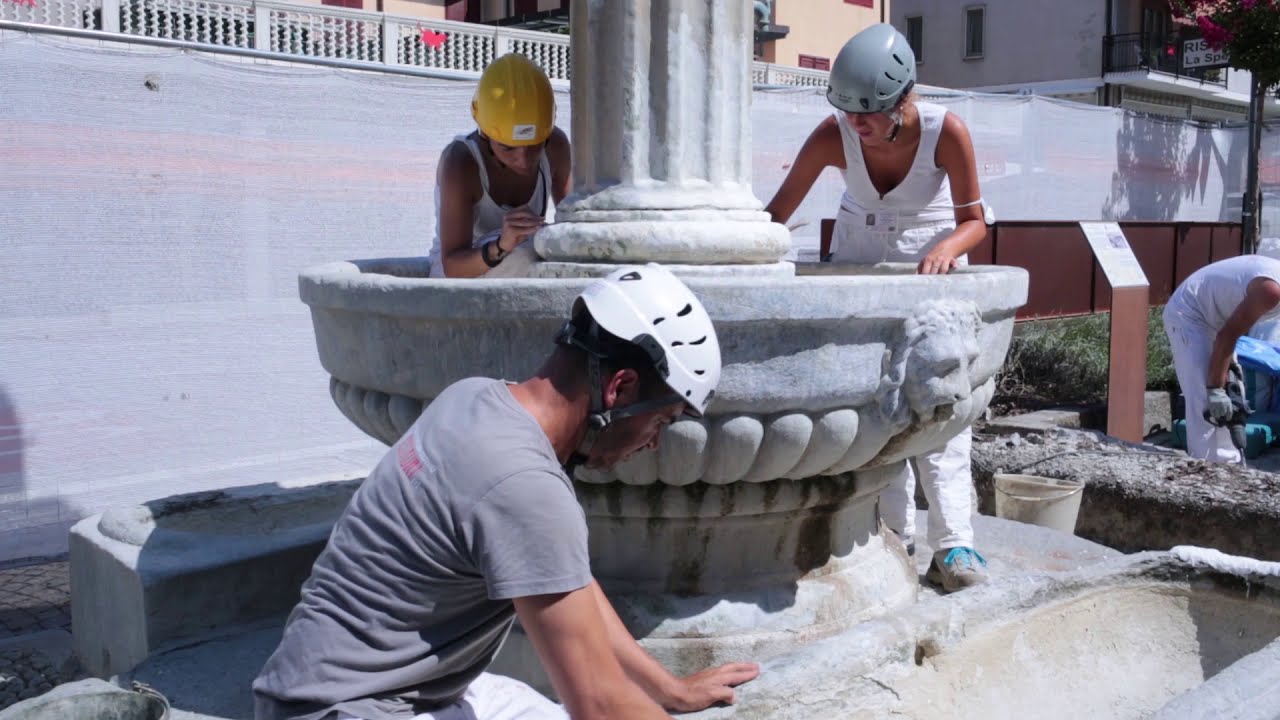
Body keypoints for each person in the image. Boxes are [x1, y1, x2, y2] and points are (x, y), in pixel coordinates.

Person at [253, 264, 759, 720]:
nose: (653, 444)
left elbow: (570, 584)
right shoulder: (524, 485)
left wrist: (670, 691)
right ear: (620, 388)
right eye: (662, 421)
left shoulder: (474, 396)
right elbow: (599, 705)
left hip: (335, 687)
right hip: (347, 710)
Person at [762, 23, 991, 593]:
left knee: (943, 406)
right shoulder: (833, 134)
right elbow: (776, 214)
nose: (855, 124)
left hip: (932, 262)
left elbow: (974, 221)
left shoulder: (946, 132)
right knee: (871, 401)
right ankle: (891, 535)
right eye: (846, 112)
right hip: (859, 254)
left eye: (867, 114)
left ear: (902, 98)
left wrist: (949, 247)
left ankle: (954, 544)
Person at [427, 53, 572, 278]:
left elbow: (575, 225)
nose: (523, 160)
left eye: (535, 145)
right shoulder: (461, 163)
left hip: (519, 274)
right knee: (524, 253)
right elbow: (453, 267)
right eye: (508, 148)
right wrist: (502, 245)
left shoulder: (555, 146)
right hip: (457, 284)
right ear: (485, 135)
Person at [1164, 254, 1280, 464]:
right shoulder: (1270, 291)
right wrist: (1215, 388)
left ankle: (1231, 464)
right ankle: (1205, 465)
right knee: (1203, 397)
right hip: (1190, 313)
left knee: (1234, 398)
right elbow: (1228, 336)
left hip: (1217, 319)